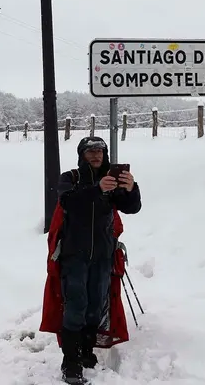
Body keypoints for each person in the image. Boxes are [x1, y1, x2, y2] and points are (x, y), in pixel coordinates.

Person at [55, 136, 141, 384]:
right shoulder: (70, 178)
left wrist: (130, 188)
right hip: (74, 256)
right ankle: (70, 363)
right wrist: (97, 189)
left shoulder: (111, 181)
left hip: (102, 256)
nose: (95, 155)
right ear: (81, 155)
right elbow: (67, 202)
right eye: (90, 152)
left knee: (95, 309)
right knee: (76, 307)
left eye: (99, 151)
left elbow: (132, 208)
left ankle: (86, 351)